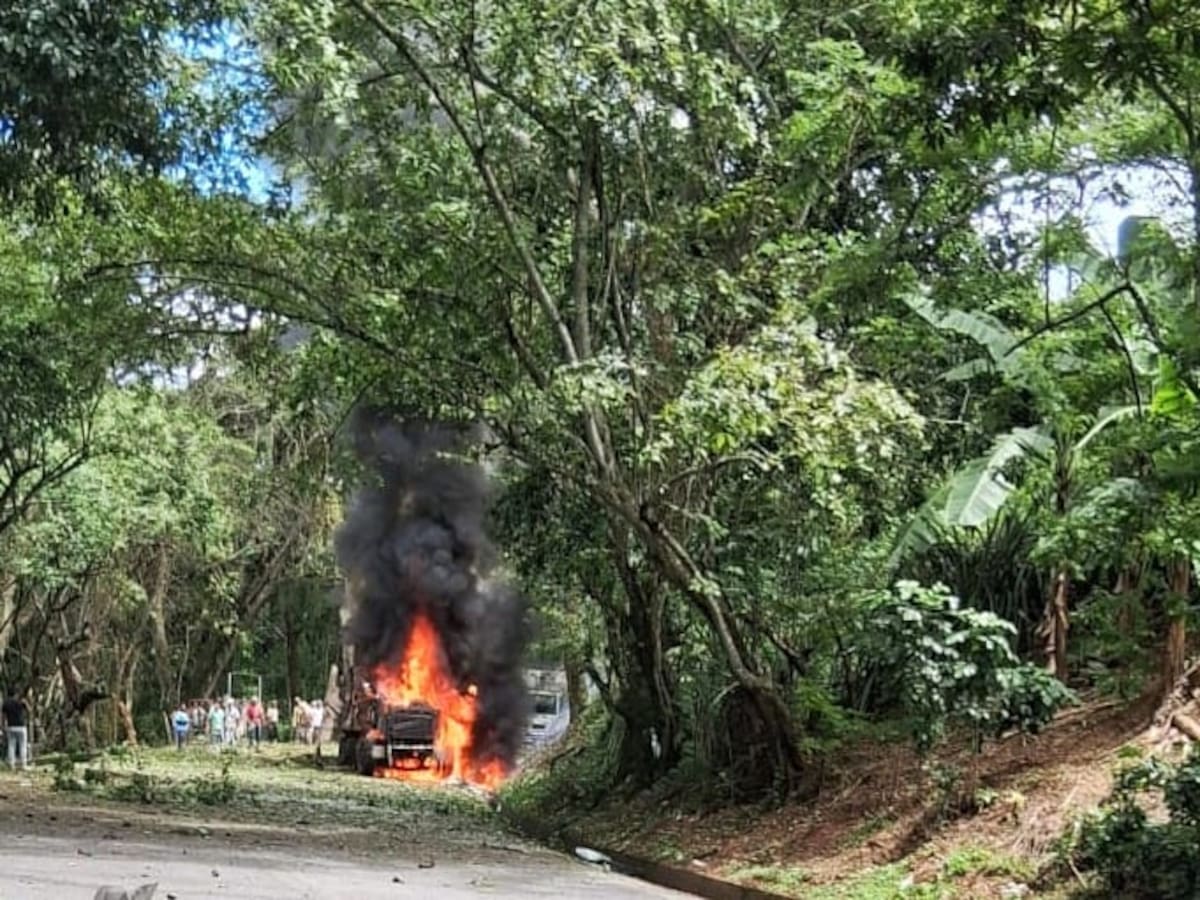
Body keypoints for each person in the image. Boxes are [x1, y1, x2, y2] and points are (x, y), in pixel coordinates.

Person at [2, 686, 28, 769]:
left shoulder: (5, 703)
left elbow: (3, 716)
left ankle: (11, 764)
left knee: (11, 745)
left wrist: (2, 726)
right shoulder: (20, 702)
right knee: (22, 745)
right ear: (16, 694)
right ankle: (23, 764)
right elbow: (29, 710)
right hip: (21, 726)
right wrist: (26, 702)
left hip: (11, 726)